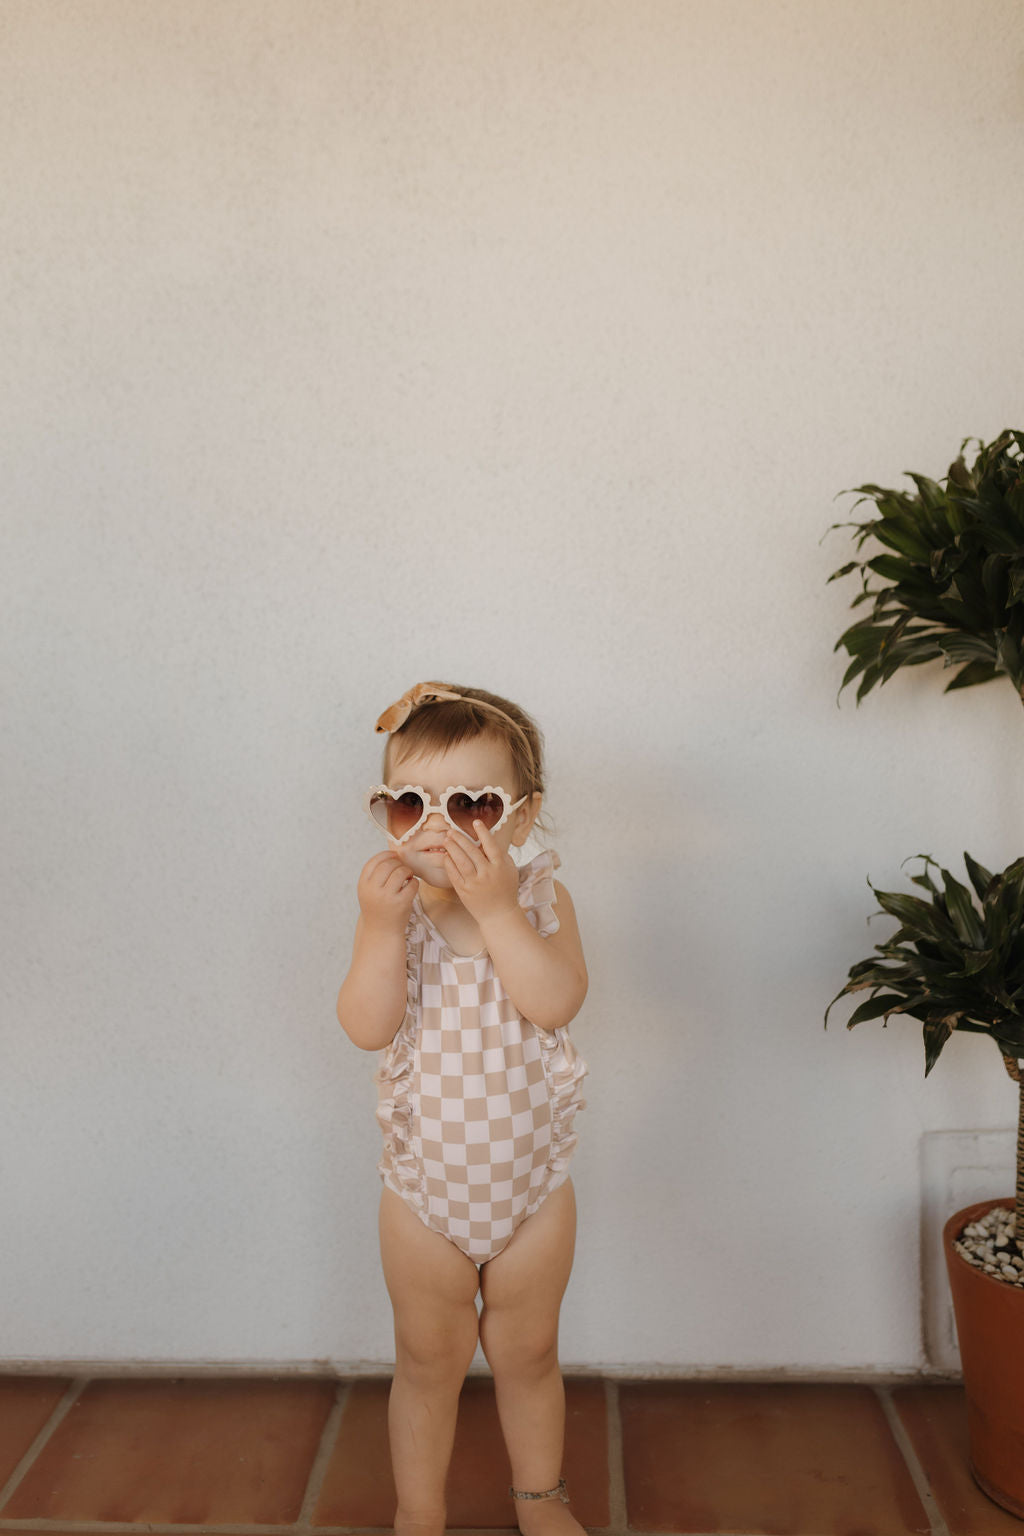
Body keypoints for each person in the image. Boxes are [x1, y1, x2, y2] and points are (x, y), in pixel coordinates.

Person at [337, 681, 589, 1536]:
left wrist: (495, 909)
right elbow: (366, 1028)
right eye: (411, 804)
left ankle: (540, 1498)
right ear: (389, 817)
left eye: (472, 805)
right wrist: (375, 930)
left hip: (531, 1194)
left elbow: (554, 1001)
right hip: (422, 1199)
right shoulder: (397, 919)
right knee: (425, 1361)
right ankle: (419, 1510)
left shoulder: (544, 900)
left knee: (529, 1353)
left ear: (521, 818)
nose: (437, 826)